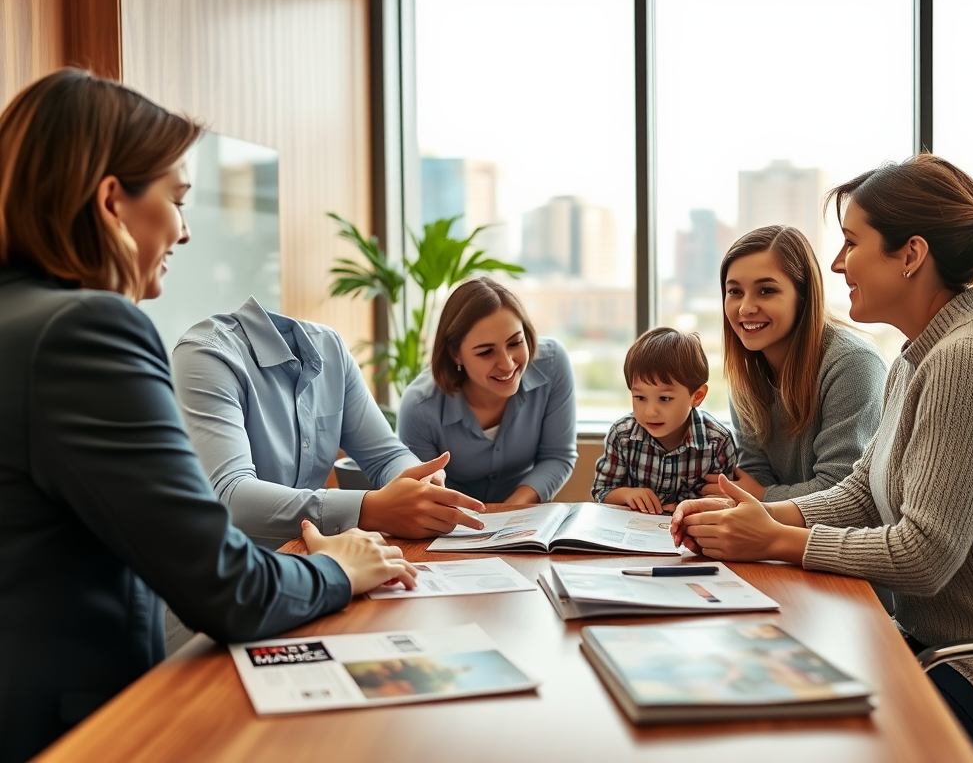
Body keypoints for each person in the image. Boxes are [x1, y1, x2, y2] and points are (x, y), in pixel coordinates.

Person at [0, 69, 417, 763]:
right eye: (177, 199)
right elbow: (228, 587)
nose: (185, 231)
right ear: (111, 202)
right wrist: (342, 567)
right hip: (76, 733)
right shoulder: (85, 331)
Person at [672, 154, 973, 750]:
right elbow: (862, 492)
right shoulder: (917, 358)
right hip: (929, 647)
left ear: (910, 255)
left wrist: (777, 539)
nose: (836, 264)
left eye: (851, 243)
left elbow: (925, 554)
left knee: (779, 730)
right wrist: (748, 520)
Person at [171, 298, 486, 546]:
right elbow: (231, 496)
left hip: (311, 558)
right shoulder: (206, 356)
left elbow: (386, 456)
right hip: (218, 580)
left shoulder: (330, 349)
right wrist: (371, 509)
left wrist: (417, 482)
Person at [703, 225, 886, 501]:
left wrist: (763, 497)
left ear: (803, 297)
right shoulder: (746, 372)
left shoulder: (853, 364)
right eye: (735, 292)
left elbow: (841, 492)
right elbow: (753, 476)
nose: (745, 308)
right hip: (780, 534)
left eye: (766, 291)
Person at [397, 277, 577, 504]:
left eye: (515, 343)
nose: (508, 364)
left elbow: (557, 457)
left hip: (525, 518)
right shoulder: (419, 406)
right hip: (451, 525)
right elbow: (424, 494)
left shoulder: (552, 364)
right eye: (486, 352)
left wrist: (510, 513)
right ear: (456, 355)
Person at [592, 327, 736, 514]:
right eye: (640, 398)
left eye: (665, 398)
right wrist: (627, 494)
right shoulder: (622, 435)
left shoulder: (718, 442)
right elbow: (601, 491)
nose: (650, 412)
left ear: (697, 396)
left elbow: (726, 502)